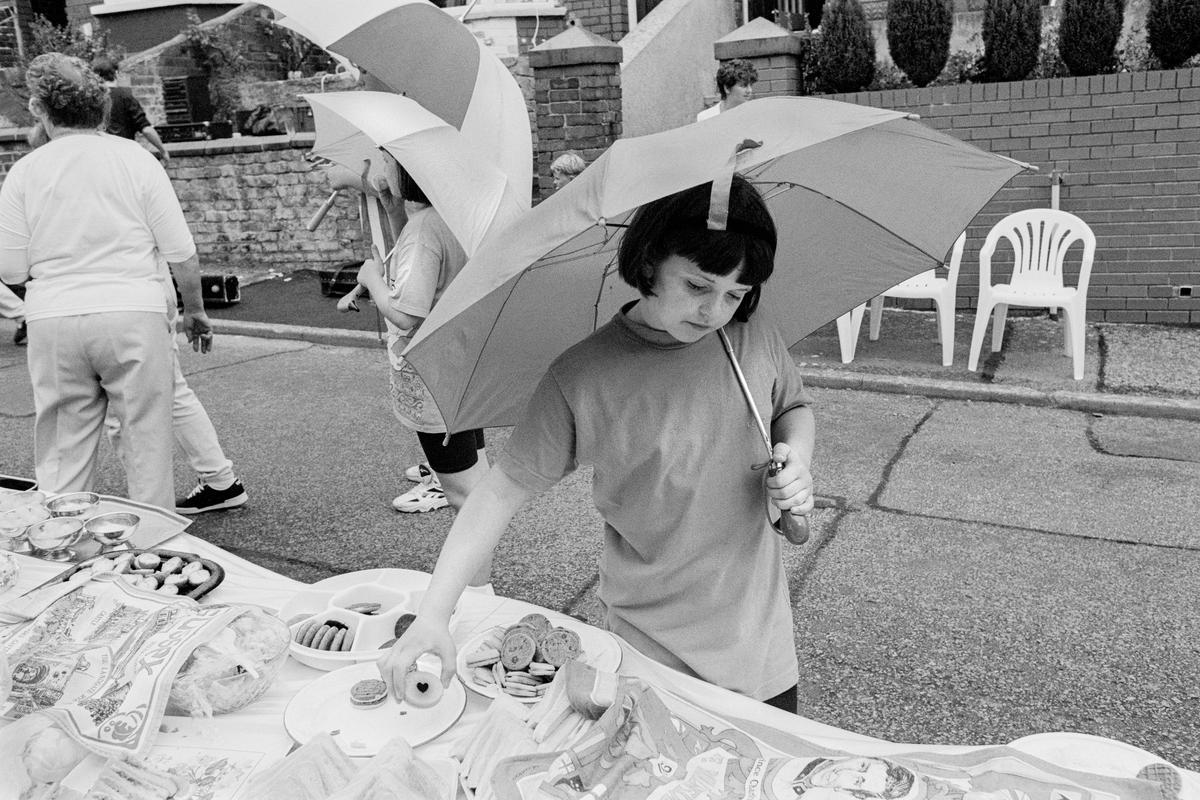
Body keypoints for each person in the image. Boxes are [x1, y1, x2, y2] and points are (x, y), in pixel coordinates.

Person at [380, 175, 815, 709]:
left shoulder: (751, 334)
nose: (715, 312)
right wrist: (432, 614)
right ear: (650, 261)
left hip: (761, 642)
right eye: (698, 286)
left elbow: (792, 407)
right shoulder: (584, 376)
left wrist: (797, 454)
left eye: (736, 293)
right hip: (649, 650)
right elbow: (496, 495)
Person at [0, 53, 212, 509]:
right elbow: (181, 252)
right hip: (132, 311)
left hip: (54, 317)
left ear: (39, 108)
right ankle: (155, 546)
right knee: (146, 439)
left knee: (61, 449)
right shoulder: (134, 159)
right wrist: (194, 311)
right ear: (99, 107)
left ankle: (60, 541)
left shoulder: (25, 172)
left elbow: (12, 270)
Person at [351, 160, 491, 520]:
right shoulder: (453, 216)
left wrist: (372, 279)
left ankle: (478, 580)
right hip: (459, 366)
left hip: (433, 380)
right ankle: (478, 577)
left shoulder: (425, 228)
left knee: (465, 497)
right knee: (476, 479)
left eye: (387, 159)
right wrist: (394, 210)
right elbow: (423, 265)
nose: (382, 167)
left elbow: (405, 312)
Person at [90, 55, 170, 162]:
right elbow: (146, 130)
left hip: (99, 157)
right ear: (116, 73)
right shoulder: (125, 96)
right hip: (124, 156)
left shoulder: (91, 98)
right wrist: (163, 151)